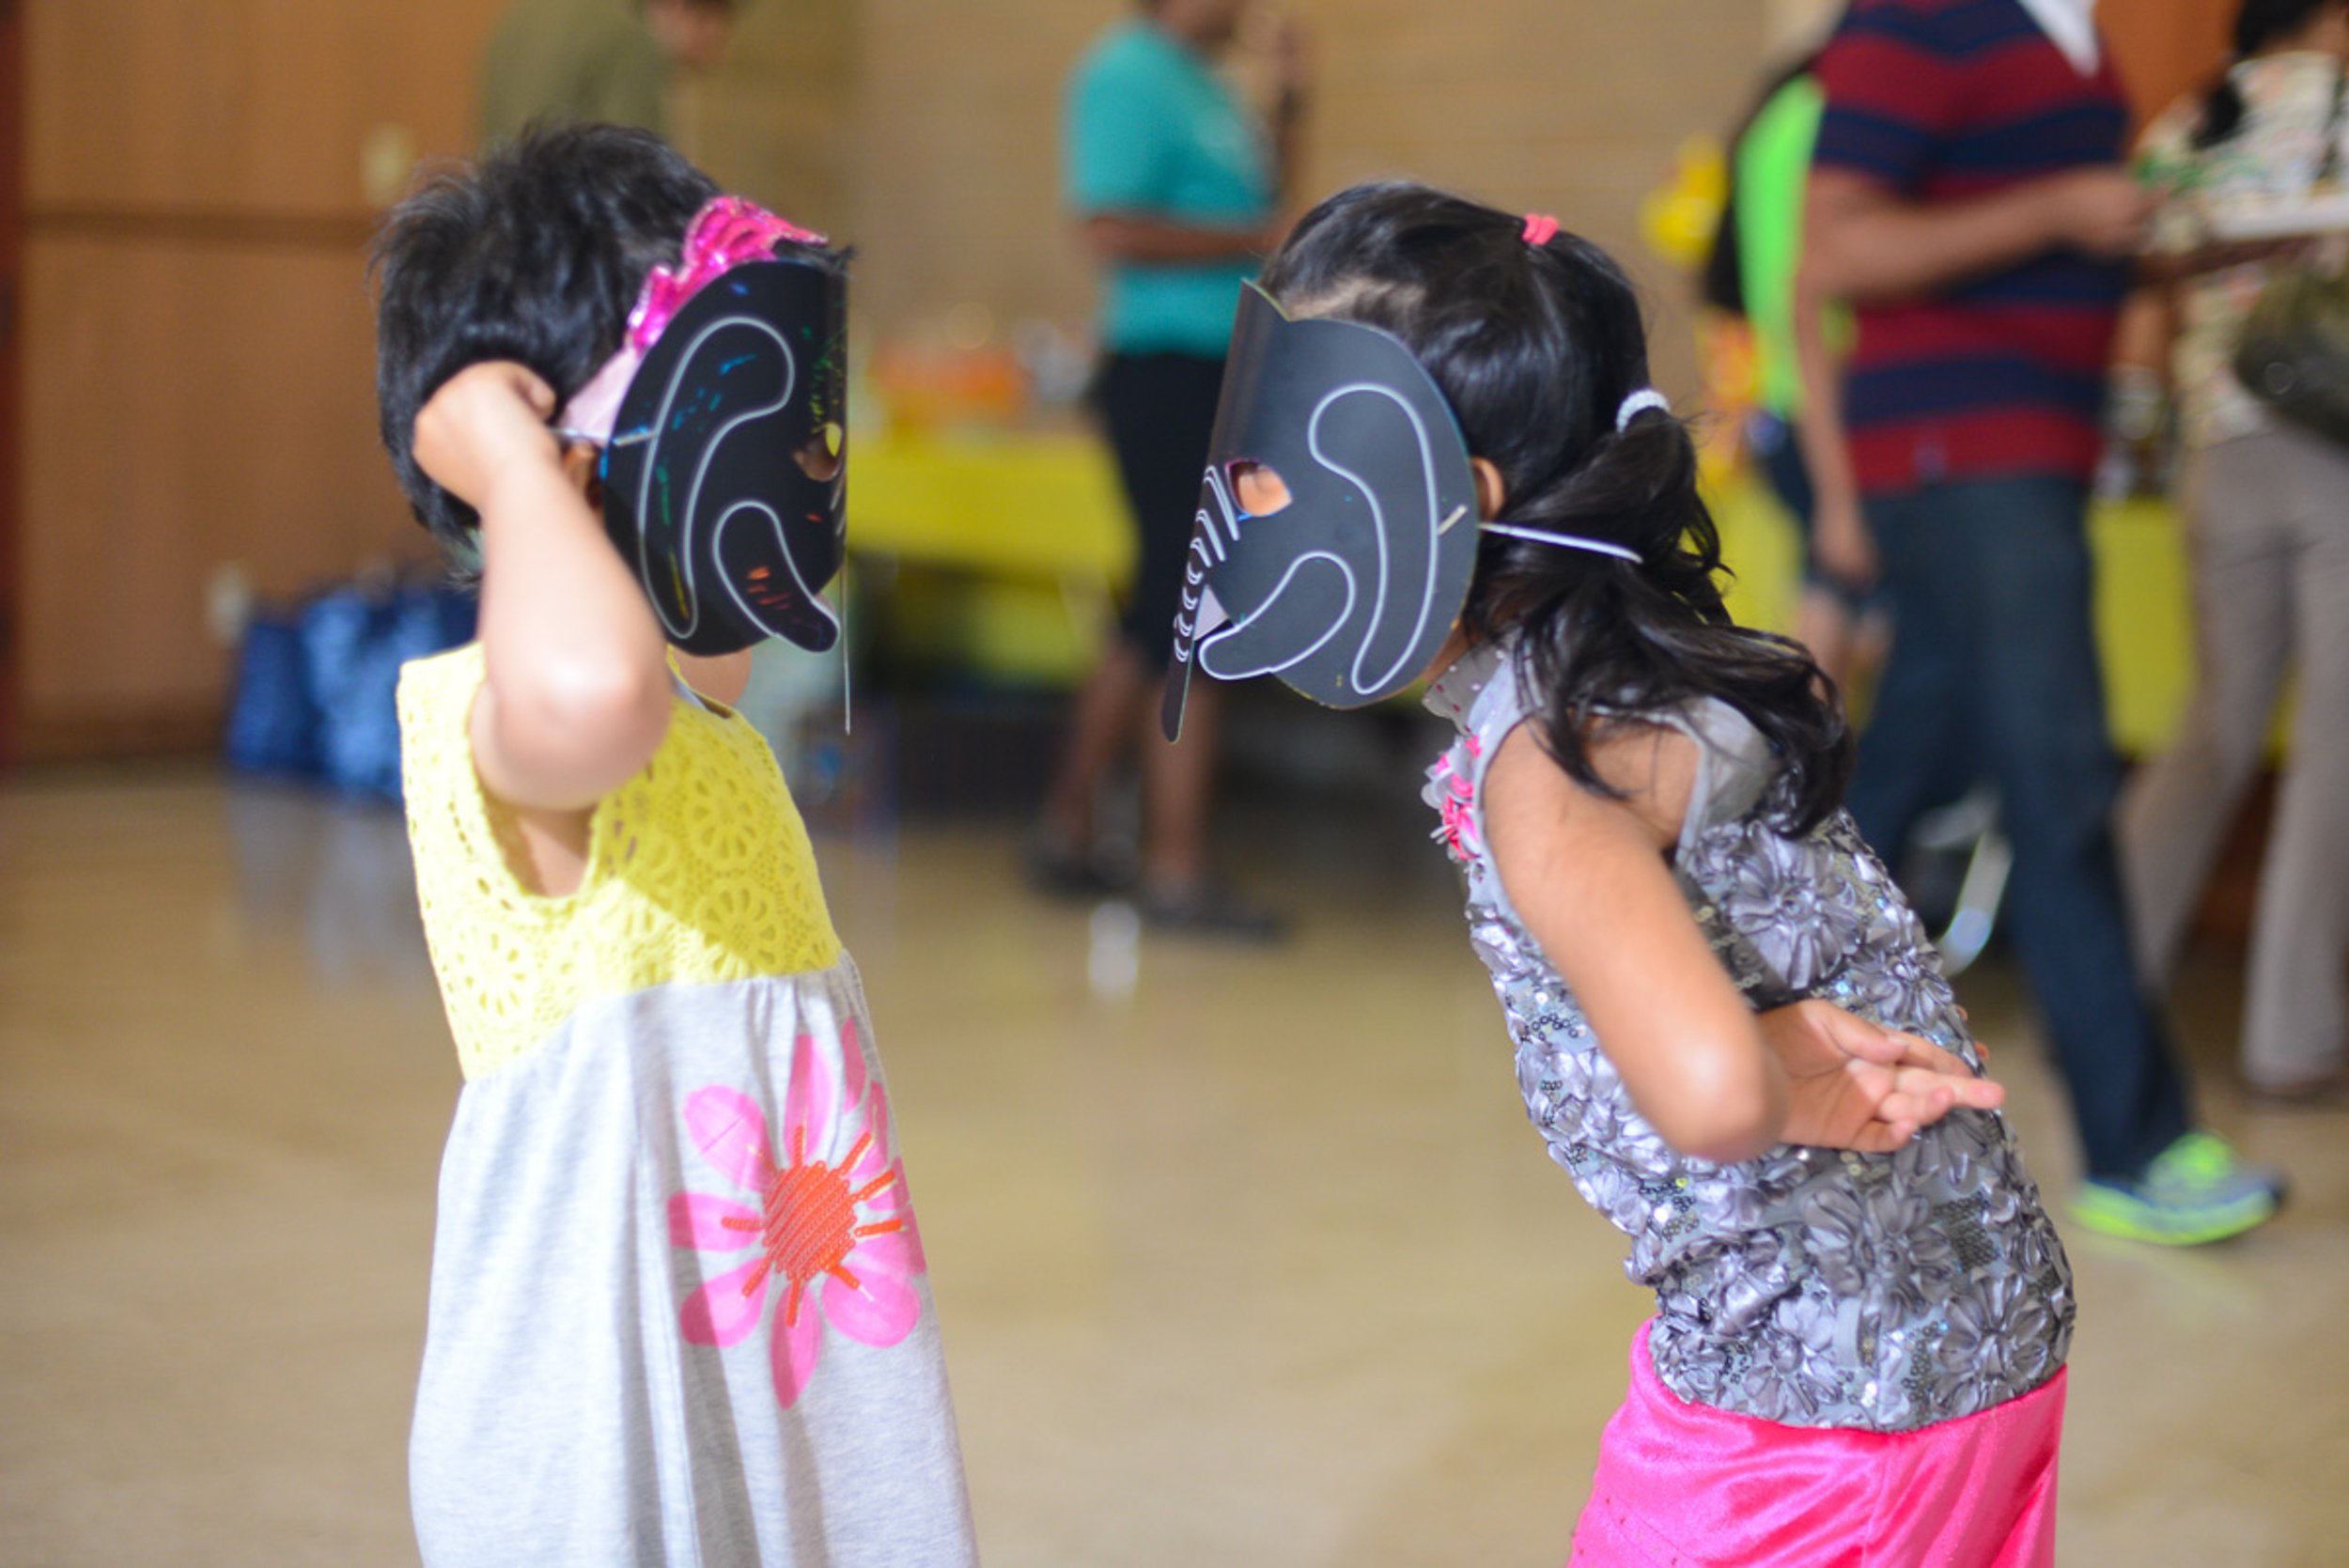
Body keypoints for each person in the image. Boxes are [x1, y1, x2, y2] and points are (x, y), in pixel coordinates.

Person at [1177, 179, 2072, 1565]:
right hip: (1970, 1341)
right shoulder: (1629, 668)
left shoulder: (1547, 769)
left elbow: (1712, 1095)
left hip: (1822, 1411)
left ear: (1437, 501)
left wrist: (1767, 1066)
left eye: (1270, 464)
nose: (1237, 499)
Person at [372, 126, 976, 1565]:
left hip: (767, 1392)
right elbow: (596, 686)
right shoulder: (504, 725)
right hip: (602, 1437)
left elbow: (674, 653)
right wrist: (513, 463)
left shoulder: (703, 730)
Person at [1802, 0, 2287, 1242]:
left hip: (2028, 452)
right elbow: (1838, 250)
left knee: (1910, 762)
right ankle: (2134, 1141)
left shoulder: (2071, 33)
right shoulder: (1923, 18)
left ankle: (1737, 1018)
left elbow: (2061, 243)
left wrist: (2173, 240)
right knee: (2059, 778)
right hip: (1960, 455)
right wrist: (2063, 212)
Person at [1033, 0, 1306, 937]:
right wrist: (1250, 235)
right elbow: (1107, 227)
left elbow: (1272, 218)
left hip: (1222, 369)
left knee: (1161, 608)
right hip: (1163, 371)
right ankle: (1176, 870)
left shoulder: (1208, 82)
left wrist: (1292, 104)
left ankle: (1067, 825)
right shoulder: (1125, 73)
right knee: (1191, 610)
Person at [2121, 0, 2349, 1103]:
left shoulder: (2183, 126)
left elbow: (2147, 280)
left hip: (2217, 456)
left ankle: (2106, 984)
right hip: (2332, 452)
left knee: (2215, 730)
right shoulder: (2336, 106)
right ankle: (2290, 1037)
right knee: (2333, 749)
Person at [1706, 42, 1885, 691]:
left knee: (1828, 592)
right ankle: (1811, 766)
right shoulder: (1833, 119)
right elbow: (1814, 287)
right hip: (1829, 396)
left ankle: (1804, 768)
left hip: (1784, 396)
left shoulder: (1778, 115)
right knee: (1860, 604)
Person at [476, 0, 735, 148]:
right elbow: (638, 168)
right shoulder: (628, 36)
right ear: (679, 7)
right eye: (713, 24)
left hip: (502, 222)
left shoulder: (522, 15)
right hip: (573, 228)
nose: (718, 49)